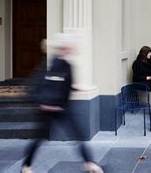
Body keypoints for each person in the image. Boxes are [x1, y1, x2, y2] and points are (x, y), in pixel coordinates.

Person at [22, 34, 103, 173]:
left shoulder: (58, 62)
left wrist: (76, 87)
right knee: (75, 135)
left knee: (42, 138)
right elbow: (56, 84)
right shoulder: (60, 63)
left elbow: (63, 84)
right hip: (55, 108)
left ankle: (26, 166)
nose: (74, 48)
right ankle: (90, 164)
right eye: (71, 46)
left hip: (53, 107)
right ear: (66, 48)